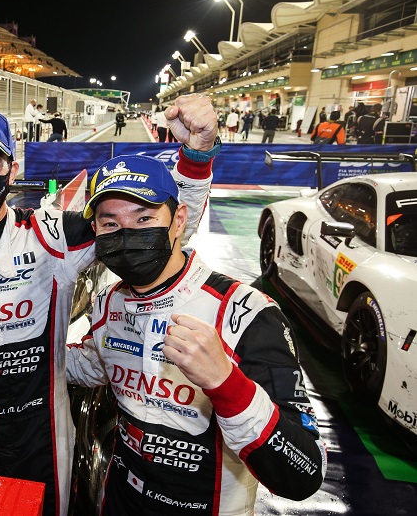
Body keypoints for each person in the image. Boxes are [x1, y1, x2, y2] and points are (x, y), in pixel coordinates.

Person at [0, 94, 220, 516]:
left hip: (42, 438)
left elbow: (157, 233)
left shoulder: (53, 234)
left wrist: (196, 158)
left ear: (12, 170)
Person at [66, 153, 326, 515]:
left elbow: (304, 473)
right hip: (119, 501)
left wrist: (225, 383)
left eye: (144, 218)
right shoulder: (108, 302)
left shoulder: (246, 312)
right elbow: (92, 366)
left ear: (178, 220)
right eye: (110, 223)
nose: (127, 234)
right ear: (96, 230)